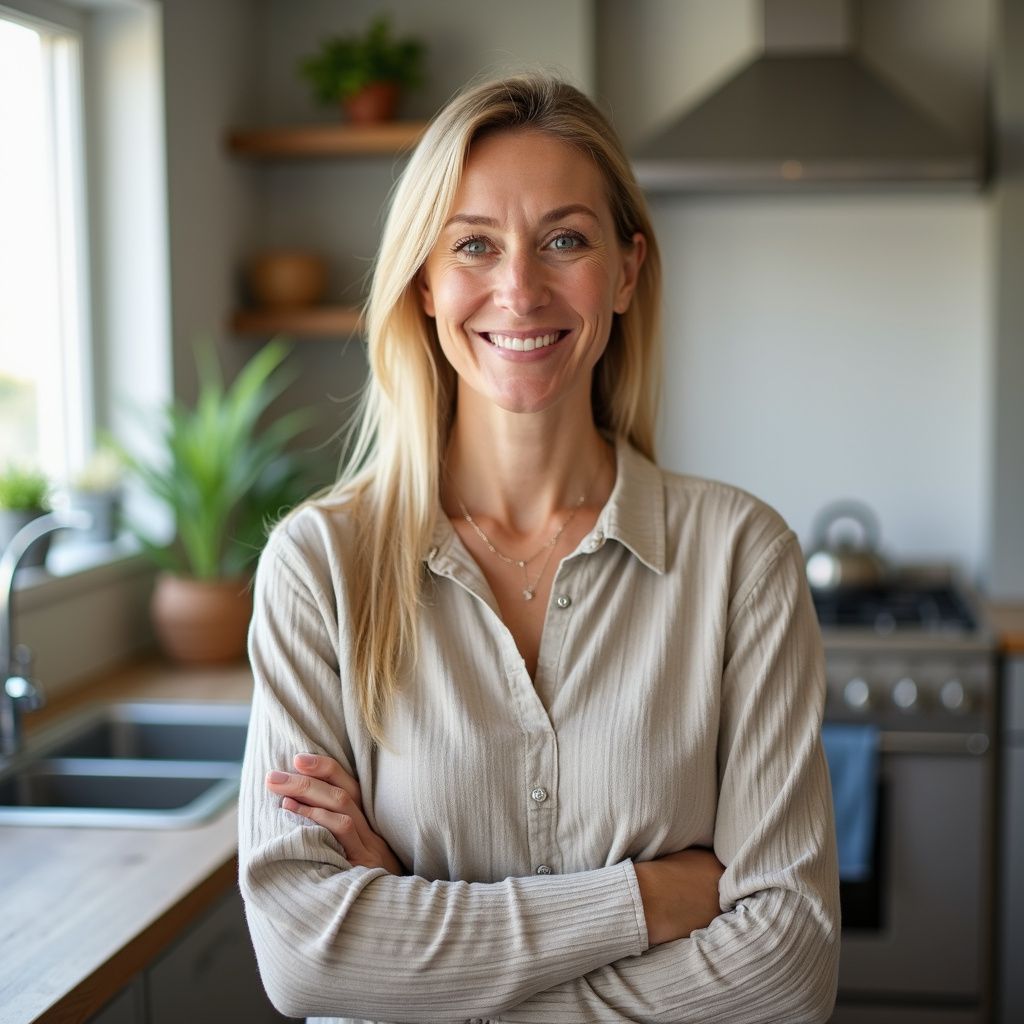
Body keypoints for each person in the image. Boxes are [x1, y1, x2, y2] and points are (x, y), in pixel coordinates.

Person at [238, 73, 840, 1024]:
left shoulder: (741, 558)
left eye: (565, 239)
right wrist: (647, 899)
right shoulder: (320, 567)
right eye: (474, 244)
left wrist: (420, 950)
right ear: (426, 281)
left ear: (627, 271)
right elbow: (306, 954)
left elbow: (789, 966)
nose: (519, 288)